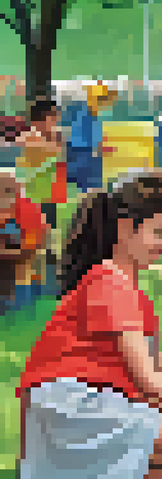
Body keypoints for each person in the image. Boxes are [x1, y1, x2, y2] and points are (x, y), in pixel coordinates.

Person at [13, 172, 162, 479]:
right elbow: (148, 379)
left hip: (94, 399)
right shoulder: (110, 282)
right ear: (124, 228)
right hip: (73, 403)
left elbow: (157, 361)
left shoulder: (124, 285)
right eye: (159, 233)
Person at [17, 98, 67, 293]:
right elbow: (56, 153)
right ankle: (35, 285)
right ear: (38, 120)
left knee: (47, 240)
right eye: (53, 117)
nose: (57, 121)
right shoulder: (31, 138)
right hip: (34, 199)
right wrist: (57, 141)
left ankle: (44, 281)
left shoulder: (45, 138)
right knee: (36, 242)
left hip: (47, 197)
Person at [0, 170, 47, 312]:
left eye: (9, 190)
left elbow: (33, 246)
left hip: (16, 266)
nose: (5, 195)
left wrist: (13, 252)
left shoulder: (29, 211)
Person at [64, 84, 117, 194]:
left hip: (85, 158)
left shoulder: (91, 116)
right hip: (84, 159)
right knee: (90, 192)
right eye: (104, 100)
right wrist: (101, 148)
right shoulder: (87, 116)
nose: (107, 104)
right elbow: (85, 141)